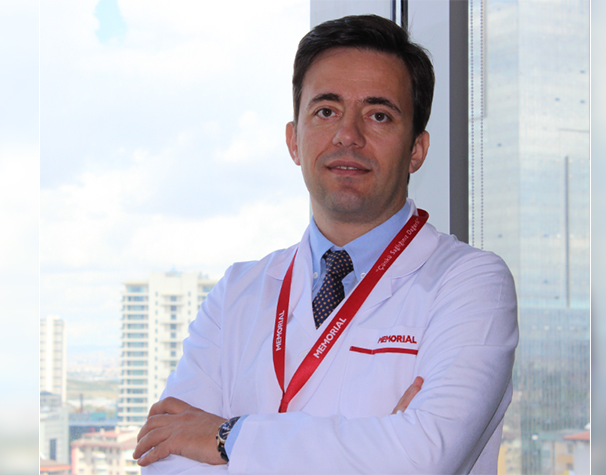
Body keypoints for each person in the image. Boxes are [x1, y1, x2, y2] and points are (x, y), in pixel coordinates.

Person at [133, 14, 518, 474]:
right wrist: (377, 444)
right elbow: (164, 455)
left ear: (416, 149)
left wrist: (225, 437)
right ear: (294, 141)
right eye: (326, 111)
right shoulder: (236, 292)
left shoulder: (472, 283)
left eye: (379, 115)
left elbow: (423, 457)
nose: (348, 135)